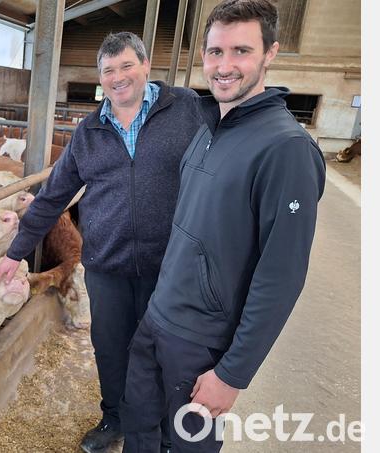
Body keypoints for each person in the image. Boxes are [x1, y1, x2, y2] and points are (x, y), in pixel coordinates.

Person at [119, 1, 327, 452]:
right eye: (215, 52)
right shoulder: (210, 127)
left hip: (203, 345)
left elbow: (282, 274)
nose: (224, 65)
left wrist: (233, 373)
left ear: (270, 53)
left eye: (240, 51)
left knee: (187, 446)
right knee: (139, 431)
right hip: (159, 318)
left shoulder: (286, 149)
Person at [0, 31, 202, 453]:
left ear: (145, 66)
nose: (118, 77)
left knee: (167, 352)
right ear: (100, 79)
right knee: (110, 348)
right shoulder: (89, 132)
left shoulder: (187, 109)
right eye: (108, 71)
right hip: (108, 267)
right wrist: (15, 254)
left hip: (171, 265)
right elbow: (53, 197)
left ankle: (161, 427)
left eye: (126, 66)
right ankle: (115, 418)